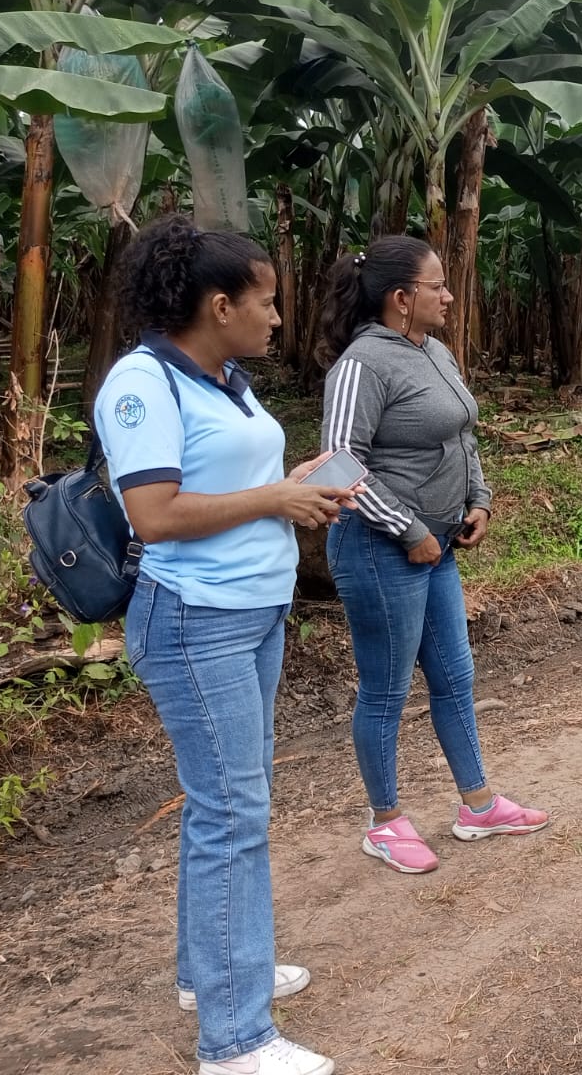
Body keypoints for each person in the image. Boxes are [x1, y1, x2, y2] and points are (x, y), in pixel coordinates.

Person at [95, 215, 353, 1075]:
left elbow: (229, 482)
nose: (277, 317)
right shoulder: (142, 384)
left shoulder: (223, 380)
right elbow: (155, 513)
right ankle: (236, 1040)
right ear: (218, 305)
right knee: (232, 814)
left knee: (231, 804)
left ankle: (212, 973)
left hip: (250, 613)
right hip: (193, 619)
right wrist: (274, 501)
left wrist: (291, 486)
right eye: (266, 302)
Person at [318, 236, 548, 875]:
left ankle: (479, 805)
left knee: (454, 677)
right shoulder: (362, 365)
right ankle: (385, 821)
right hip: (380, 550)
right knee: (387, 688)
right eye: (436, 286)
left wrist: (480, 500)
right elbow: (339, 464)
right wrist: (408, 529)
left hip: (437, 545)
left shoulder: (435, 351)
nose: (448, 295)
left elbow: (461, 435)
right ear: (401, 297)